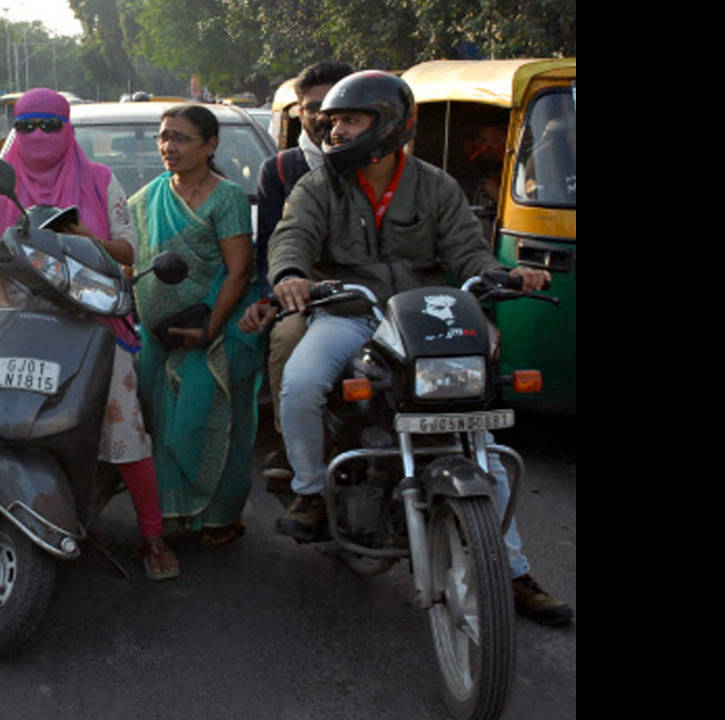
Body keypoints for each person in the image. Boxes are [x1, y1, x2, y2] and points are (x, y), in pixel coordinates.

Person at [262, 70, 573, 626]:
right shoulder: (318, 186)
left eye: (351, 120)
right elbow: (293, 236)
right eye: (333, 121)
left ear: (388, 125)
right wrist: (291, 274)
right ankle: (310, 490)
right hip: (349, 310)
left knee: (477, 430)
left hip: (423, 313)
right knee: (302, 383)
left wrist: (501, 274)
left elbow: (466, 250)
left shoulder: (435, 185)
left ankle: (513, 571)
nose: (336, 131)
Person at [0, 88, 180, 581]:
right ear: (15, 130)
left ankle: (152, 537)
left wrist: (81, 237)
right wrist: (4, 306)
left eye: (50, 125)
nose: (38, 135)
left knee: (125, 427)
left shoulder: (98, 180)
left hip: (90, 323)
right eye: (27, 125)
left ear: (66, 128)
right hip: (14, 324)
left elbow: (129, 251)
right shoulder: (0, 182)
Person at [128, 104, 265, 548]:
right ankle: (174, 512)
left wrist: (209, 328)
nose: (169, 146)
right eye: (164, 136)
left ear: (210, 145)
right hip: (157, 338)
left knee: (209, 416)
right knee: (158, 422)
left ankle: (220, 517)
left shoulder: (225, 198)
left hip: (217, 333)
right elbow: (128, 254)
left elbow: (239, 271)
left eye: (182, 138)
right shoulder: (148, 197)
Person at [240, 61, 354, 487]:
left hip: (378, 295)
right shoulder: (284, 170)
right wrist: (285, 287)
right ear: (299, 113)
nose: (326, 118)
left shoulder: (389, 165)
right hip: (307, 295)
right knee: (286, 344)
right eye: (314, 107)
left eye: (339, 109)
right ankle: (297, 453)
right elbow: (274, 242)